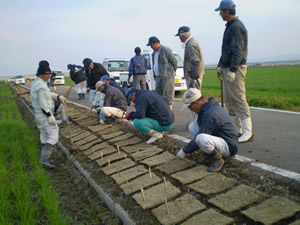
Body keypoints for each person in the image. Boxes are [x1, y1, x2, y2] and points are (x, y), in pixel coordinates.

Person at [215, 0, 253, 143]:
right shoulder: (230, 26)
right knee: (230, 100)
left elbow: (238, 50)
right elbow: (226, 50)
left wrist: (232, 69)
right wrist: (221, 65)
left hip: (235, 68)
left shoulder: (236, 26)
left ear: (227, 11)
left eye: (221, 11)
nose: (219, 14)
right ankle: (238, 130)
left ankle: (248, 131)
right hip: (228, 67)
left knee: (238, 98)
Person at [176, 88, 238, 172]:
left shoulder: (210, 114)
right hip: (220, 138)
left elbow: (201, 136)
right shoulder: (208, 107)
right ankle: (210, 153)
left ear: (197, 103)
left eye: (190, 107)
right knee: (192, 126)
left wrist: (185, 150)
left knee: (201, 138)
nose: (190, 110)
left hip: (229, 146)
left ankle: (218, 159)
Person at [30, 60, 66, 168]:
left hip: (39, 115)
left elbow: (47, 94)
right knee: (53, 135)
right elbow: (43, 103)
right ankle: (44, 159)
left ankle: (44, 157)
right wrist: (50, 116)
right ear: (41, 74)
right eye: (47, 74)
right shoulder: (41, 86)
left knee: (44, 136)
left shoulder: (38, 83)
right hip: (44, 115)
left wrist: (57, 96)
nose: (48, 76)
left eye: (49, 74)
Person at [146, 36, 178, 110]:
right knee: (158, 94)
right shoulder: (154, 53)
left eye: (151, 45)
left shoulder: (166, 50)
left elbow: (174, 62)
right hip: (158, 76)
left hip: (167, 76)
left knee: (167, 94)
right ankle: (160, 110)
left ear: (156, 43)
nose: (151, 47)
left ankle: (169, 110)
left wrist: (170, 72)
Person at [175, 26, 205, 90]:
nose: (179, 38)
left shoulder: (191, 44)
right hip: (192, 75)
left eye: (179, 37)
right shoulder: (190, 43)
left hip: (193, 76)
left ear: (183, 36)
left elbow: (195, 61)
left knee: (194, 95)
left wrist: (194, 77)